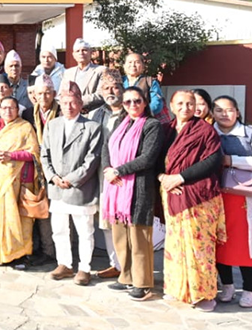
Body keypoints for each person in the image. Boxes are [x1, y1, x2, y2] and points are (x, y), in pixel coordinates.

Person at [159, 90, 224, 311]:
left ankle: (203, 294)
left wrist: (180, 177)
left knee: (199, 247)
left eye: (190, 103)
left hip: (199, 196)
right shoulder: (166, 130)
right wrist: (163, 178)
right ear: (171, 106)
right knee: (175, 244)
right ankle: (177, 288)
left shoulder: (205, 130)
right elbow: (155, 159)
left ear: (195, 106)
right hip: (172, 192)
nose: (185, 108)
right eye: (180, 103)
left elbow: (213, 160)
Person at [101, 86, 164, 301]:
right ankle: (126, 276)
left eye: (137, 101)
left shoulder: (152, 125)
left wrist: (119, 171)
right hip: (117, 188)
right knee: (121, 236)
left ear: (145, 102)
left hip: (138, 188)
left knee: (139, 238)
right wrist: (108, 169)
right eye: (127, 102)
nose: (132, 105)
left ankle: (142, 283)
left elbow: (148, 158)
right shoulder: (121, 123)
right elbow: (106, 147)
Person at [213, 95, 252, 308]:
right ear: (212, 113)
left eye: (229, 110)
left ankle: (249, 289)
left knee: (247, 246)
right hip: (217, 197)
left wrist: (231, 160)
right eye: (219, 110)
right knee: (220, 244)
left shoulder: (251, 133)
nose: (224, 114)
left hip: (245, 199)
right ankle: (227, 286)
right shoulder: (209, 132)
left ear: (237, 112)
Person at [41, 81, 103, 286]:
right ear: (60, 103)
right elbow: (44, 155)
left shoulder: (92, 127)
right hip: (57, 187)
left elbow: (92, 159)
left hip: (80, 188)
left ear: (80, 103)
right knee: (59, 229)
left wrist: (71, 179)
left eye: (73, 102)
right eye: (65, 102)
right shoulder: (52, 125)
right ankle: (64, 264)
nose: (69, 106)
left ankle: (85, 268)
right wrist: (52, 177)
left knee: (84, 230)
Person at [0, 96, 41, 269]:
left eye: (12, 108)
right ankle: (3, 254)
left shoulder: (25, 127)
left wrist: (11, 155)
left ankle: (20, 256)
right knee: (2, 217)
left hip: (21, 179)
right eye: (4, 108)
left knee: (20, 219)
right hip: (0, 180)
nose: (8, 111)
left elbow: (34, 153)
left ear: (18, 110)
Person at [87, 69, 125, 279]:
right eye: (106, 88)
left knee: (124, 220)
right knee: (106, 219)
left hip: (125, 175)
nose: (111, 91)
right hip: (103, 175)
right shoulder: (97, 113)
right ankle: (115, 264)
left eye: (115, 87)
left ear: (122, 89)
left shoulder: (131, 112)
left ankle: (128, 265)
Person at [26, 74, 59, 264]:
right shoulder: (28, 114)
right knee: (42, 211)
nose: (44, 97)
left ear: (54, 94)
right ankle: (47, 250)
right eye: (40, 93)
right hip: (36, 168)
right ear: (35, 95)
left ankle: (63, 253)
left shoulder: (62, 111)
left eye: (47, 93)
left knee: (60, 213)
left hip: (58, 167)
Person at [60, 38, 106, 113]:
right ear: (73, 55)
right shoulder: (68, 73)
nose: (81, 53)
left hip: (92, 112)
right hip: (70, 112)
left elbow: (101, 94)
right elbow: (61, 95)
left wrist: (78, 102)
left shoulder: (101, 70)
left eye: (84, 50)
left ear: (91, 53)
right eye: (77, 51)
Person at [122, 53, 167, 122]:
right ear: (124, 65)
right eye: (130, 62)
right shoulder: (118, 81)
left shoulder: (150, 81)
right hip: (121, 119)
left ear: (143, 66)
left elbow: (157, 103)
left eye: (137, 62)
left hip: (144, 120)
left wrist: (140, 114)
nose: (133, 65)